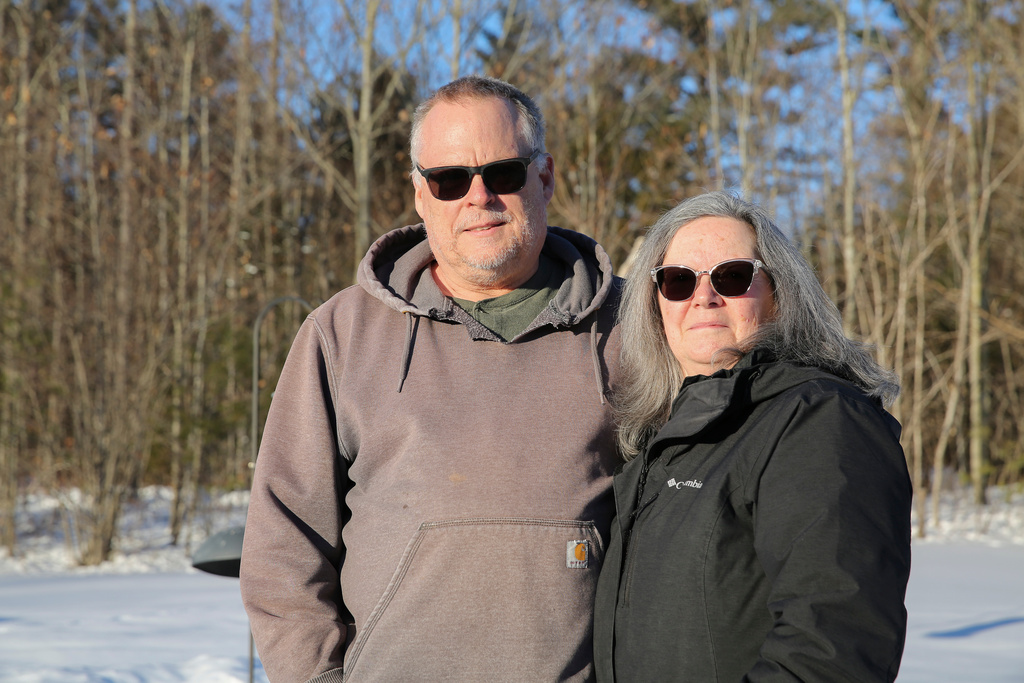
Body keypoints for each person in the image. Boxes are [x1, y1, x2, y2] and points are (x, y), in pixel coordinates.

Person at [239, 75, 622, 682]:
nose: (478, 198)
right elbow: (284, 548)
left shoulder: (631, 331)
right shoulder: (341, 334)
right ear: (420, 194)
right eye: (448, 180)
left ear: (543, 178)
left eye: (503, 174)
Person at [593, 191, 912, 682]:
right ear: (655, 306)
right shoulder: (661, 444)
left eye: (732, 276)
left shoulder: (818, 421)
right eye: (677, 281)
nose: (704, 296)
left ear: (779, 295)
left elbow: (833, 652)